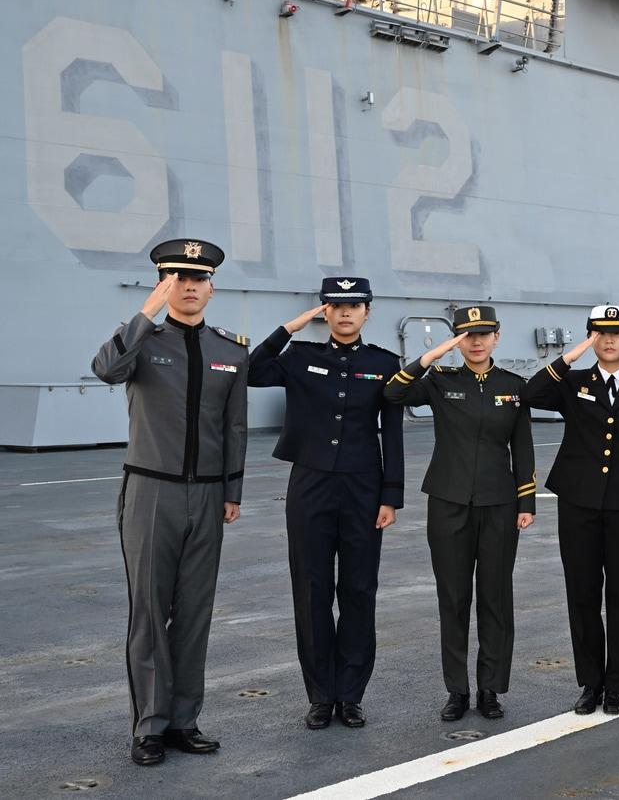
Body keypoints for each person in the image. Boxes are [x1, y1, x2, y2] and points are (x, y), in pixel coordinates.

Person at [91, 239, 247, 766]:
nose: (188, 286)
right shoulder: (143, 341)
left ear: (211, 286)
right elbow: (105, 370)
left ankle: (184, 720)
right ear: (163, 284)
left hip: (207, 496)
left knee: (196, 613)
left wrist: (232, 490)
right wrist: (144, 313)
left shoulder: (232, 350)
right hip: (150, 491)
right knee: (150, 611)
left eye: (197, 278)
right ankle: (150, 726)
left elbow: (235, 427)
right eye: (176, 277)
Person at [248, 277, 405, 730]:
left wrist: (390, 495)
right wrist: (292, 326)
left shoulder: (384, 363)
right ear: (323, 311)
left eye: (354, 305)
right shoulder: (299, 357)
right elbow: (253, 371)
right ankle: (320, 695)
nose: (345, 313)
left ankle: (351, 695)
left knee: (358, 591)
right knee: (312, 590)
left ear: (367, 312)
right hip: (310, 485)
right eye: (335, 306)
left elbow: (391, 431)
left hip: (363, 488)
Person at [384, 305, 534, 722]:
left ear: (497, 337)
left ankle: (490, 689)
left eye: (485, 333)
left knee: (495, 599)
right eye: (468, 335)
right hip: (448, 503)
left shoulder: (514, 386)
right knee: (452, 599)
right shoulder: (439, 382)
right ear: (458, 340)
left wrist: (527, 501)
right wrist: (432, 356)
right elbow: (393, 393)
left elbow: (522, 447)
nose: (477, 341)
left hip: (499, 505)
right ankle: (457, 690)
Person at [523, 304, 619, 716]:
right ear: (590, 338)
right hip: (578, 503)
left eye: (617, 333)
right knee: (583, 595)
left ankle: (617, 684)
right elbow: (532, 394)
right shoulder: (570, 382)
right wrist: (570, 355)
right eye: (599, 333)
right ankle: (590, 682)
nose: (608, 340)